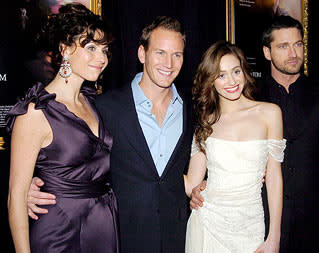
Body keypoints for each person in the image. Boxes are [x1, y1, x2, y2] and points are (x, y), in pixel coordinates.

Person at [25, 16, 193, 253]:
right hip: (118, 237)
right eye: (160, 53)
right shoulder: (103, 107)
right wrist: (34, 186)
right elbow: (71, 157)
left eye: (177, 54)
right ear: (142, 54)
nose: (169, 63)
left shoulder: (192, 107)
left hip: (178, 238)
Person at [191, 15, 319, 252]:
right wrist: (206, 183)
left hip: (315, 220)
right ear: (267, 52)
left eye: (298, 44)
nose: (293, 53)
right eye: (283, 46)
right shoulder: (249, 98)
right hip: (263, 221)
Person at [6, 3, 119, 252]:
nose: (101, 58)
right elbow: (16, 198)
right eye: (91, 48)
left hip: (102, 227)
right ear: (65, 49)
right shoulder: (36, 112)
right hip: (59, 233)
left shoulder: (92, 104)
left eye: (105, 50)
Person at [184, 41, 284, 253]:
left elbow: (274, 177)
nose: (231, 81)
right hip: (207, 223)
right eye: (221, 75)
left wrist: (274, 236)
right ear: (211, 81)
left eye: (236, 71)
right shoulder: (205, 121)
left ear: (244, 72)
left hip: (251, 228)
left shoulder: (269, 113)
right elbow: (191, 182)